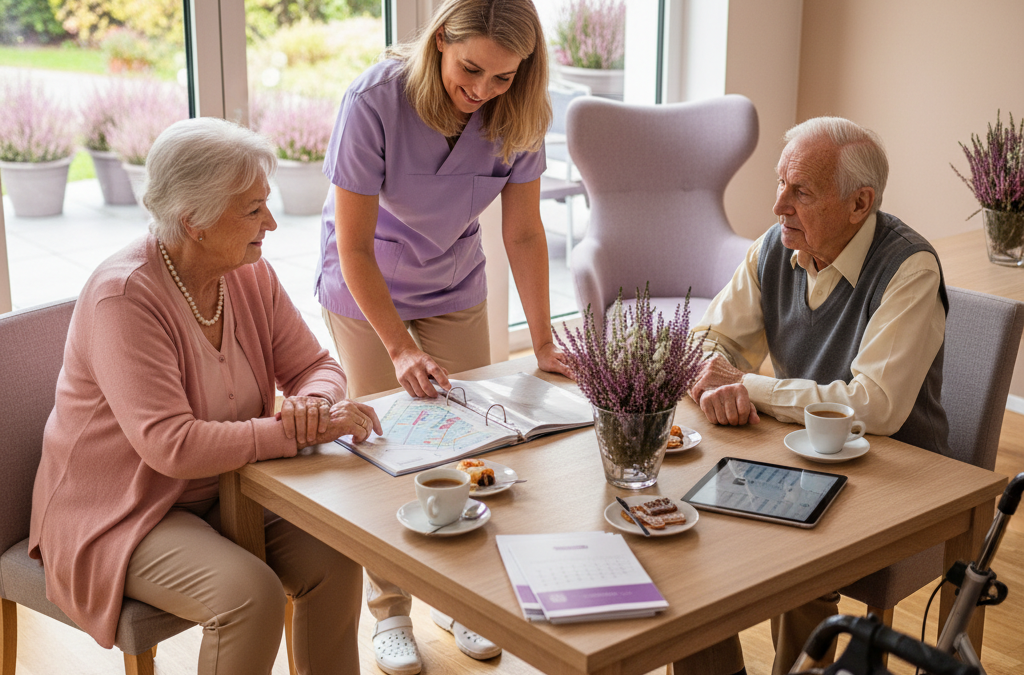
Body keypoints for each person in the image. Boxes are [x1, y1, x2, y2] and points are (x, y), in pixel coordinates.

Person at [28, 117, 382, 675]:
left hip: (229, 486)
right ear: (193, 220)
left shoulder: (244, 270)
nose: (270, 222)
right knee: (249, 596)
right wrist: (295, 430)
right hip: (123, 510)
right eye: (252, 210)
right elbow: (172, 447)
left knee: (335, 555)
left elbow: (315, 365)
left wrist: (314, 405)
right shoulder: (124, 297)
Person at [314, 1, 570, 672]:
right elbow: (355, 246)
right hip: (368, 287)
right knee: (388, 453)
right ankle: (391, 613)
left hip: (454, 282)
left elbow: (522, 231)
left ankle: (460, 599)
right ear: (439, 46)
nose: (482, 90)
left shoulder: (521, 114)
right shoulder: (374, 100)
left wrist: (542, 342)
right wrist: (398, 347)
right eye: (470, 69)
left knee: (472, 440)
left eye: (502, 78)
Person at [674, 117, 950, 675]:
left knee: (798, 575)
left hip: (896, 479)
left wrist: (744, 385)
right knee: (685, 550)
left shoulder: (909, 268)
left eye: (800, 191)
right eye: (780, 183)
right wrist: (708, 368)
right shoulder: (773, 249)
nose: (779, 205)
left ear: (859, 203)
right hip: (799, 460)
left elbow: (874, 406)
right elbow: (708, 341)